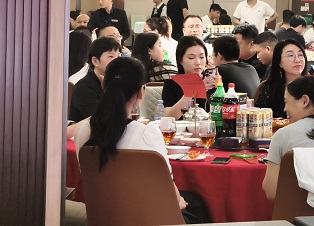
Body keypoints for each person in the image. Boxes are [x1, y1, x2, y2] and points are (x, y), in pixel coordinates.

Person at [74, 57, 211, 223]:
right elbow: (169, 192)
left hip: (104, 217)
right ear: (141, 92)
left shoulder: (83, 131)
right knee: (198, 203)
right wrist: (180, 201)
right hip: (149, 219)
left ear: (103, 85)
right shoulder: (147, 134)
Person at [69, 37, 121, 122]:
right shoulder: (84, 88)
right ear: (95, 61)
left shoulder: (118, 82)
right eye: (111, 56)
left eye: (118, 56)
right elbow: (100, 120)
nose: (117, 61)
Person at [255, 39, 309, 118]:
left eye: (300, 55)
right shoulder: (269, 88)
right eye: (290, 56)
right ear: (279, 62)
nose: (297, 60)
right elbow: (259, 117)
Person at [162, 36, 209, 117]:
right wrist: (192, 92)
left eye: (201, 57)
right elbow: (169, 117)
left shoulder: (212, 82)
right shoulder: (172, 84)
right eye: (191, 58)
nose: (198, 62)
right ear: (180, 60)